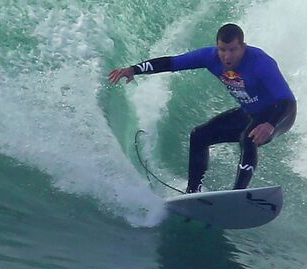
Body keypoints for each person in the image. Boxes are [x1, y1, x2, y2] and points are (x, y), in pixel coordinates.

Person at [109, 24, 296, 193]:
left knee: (248, 138)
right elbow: (172, 63)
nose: (227, 56)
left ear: (243, 47)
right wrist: (134, 69)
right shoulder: (210, 57)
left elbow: (287, 101)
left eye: (233, 50)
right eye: (223, 50)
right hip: (251, 113)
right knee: (199, 135)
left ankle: (237, 194)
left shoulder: (261, 62)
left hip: (280, 113)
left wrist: (270, 124)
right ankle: (193, 191)